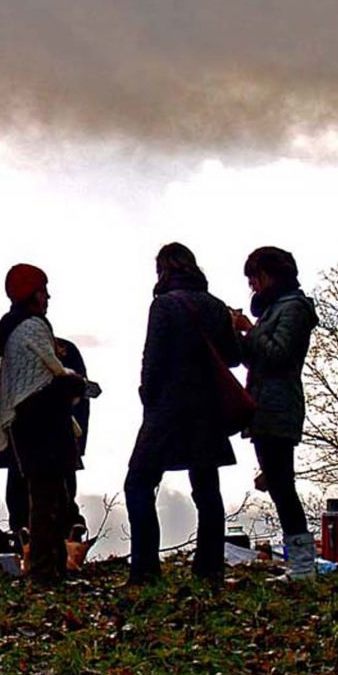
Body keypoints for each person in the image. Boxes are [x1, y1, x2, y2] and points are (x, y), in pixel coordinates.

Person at [124, 243, 241, 586]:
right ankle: (210, 570)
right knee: (207, 487)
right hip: (208, 409)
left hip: (168, 409)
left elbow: (153, 359)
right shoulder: (217, 307)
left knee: (139, 483)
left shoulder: (162, 306)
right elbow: (233, 357)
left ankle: (145, 570)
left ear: (163, 269)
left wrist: (148, 396)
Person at [0, 265, 92, 583]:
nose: (48, 297)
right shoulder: (31, 329)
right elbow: (48, 380)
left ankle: (54, 568)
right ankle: (45, 573)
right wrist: (75, 385)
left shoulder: (15, 334)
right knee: (46, 504)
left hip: (30, 430)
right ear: (32, 294)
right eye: (43, 290)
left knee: (50, 500)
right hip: (43, 427)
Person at [231, 246, 319, 578]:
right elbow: (258, 358)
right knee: (279, 483)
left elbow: (279, 356)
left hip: (279, 406)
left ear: (269, 275)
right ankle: (299, 561)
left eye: (255, 278)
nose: (253, 286)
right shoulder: (275, 310)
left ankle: (302, 563)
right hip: (266, 406)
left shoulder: (294, 309)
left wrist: (249, 330)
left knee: (282, 484)